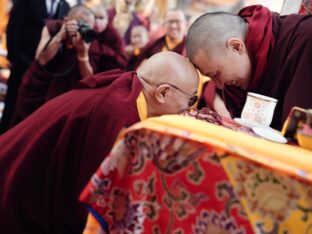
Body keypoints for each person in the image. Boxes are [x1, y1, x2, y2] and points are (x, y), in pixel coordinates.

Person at [0, 51, 199, 233]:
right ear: (162, 93)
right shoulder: (116, 117)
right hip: (15, 194)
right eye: (190, 100)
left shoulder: (127, 91)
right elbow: (92, 199)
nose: (188, 110)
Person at [186, 5, 312, 129]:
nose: (219, 85)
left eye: (215, 75)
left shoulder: (305, 39)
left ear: (236, 47)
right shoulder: (235, 86)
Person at [10, 4, 126, 128]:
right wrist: (60, 36)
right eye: (80, 24)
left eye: (88, 26)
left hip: (60, 101)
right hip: (37, 93)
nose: (83, 29)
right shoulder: (53, 28)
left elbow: (88, 78)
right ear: (66, 20)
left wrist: (82, 53)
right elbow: (41, 59)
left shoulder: (91, 43)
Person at [0, 0, 70, 133]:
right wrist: (14, 58)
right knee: (12, 104)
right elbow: (14, 27)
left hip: (45, 72)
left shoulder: (65, 6)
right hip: (22, 63)